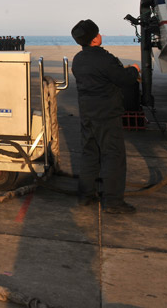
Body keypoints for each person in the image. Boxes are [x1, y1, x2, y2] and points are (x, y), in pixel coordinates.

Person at [71, 19, 141, 214]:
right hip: (107, 115)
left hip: (87, 115)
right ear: (94, 39)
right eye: (98, 33)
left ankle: (85, 196)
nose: (100, 35)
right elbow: (123, 79)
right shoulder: (104, 58)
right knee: (113, 157)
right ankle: (113, 202)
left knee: (90, 154)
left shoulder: (78, 60)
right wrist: (135, 69)